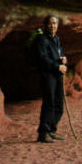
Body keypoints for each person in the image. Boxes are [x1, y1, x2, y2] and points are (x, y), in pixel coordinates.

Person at [33, 14, 67, 143]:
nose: (52, 26)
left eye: (55, 23)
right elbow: (42, 58)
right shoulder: (41, 39)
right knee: (49, 103)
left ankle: (52, 130)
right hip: (48, 75)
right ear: (45, 25)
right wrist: (57, 66)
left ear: (57, 26)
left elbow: (58, 54)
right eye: (50, 23)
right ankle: (43, 133)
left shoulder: (56, 39)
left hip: (57, 75)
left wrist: (63, 60)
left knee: (59, 103)